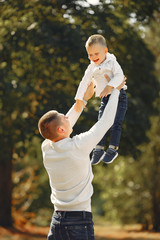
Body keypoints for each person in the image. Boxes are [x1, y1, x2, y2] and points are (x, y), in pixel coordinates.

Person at [38, 79, 126, 240]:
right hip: (79, 221)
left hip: (57, 220)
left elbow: (61, 127)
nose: (67, 116)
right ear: (61, 129)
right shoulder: (78, 146)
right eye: (63, 116)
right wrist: (115, 91)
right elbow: (106, 121)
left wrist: (83, 100)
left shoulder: (47, 148)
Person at [74, 34, 127, 165]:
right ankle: (98, 149)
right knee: (101, 123)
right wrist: (79, 98)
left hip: (119, 96)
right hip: (105, 99)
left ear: (105, 51)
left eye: (96, 54)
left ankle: (112, 149)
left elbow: (120, 76)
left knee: (116, 123)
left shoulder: (112, 62)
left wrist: (110, 87)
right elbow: (84, 81)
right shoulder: (91, 67)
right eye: (89, 55)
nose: (93, 58)